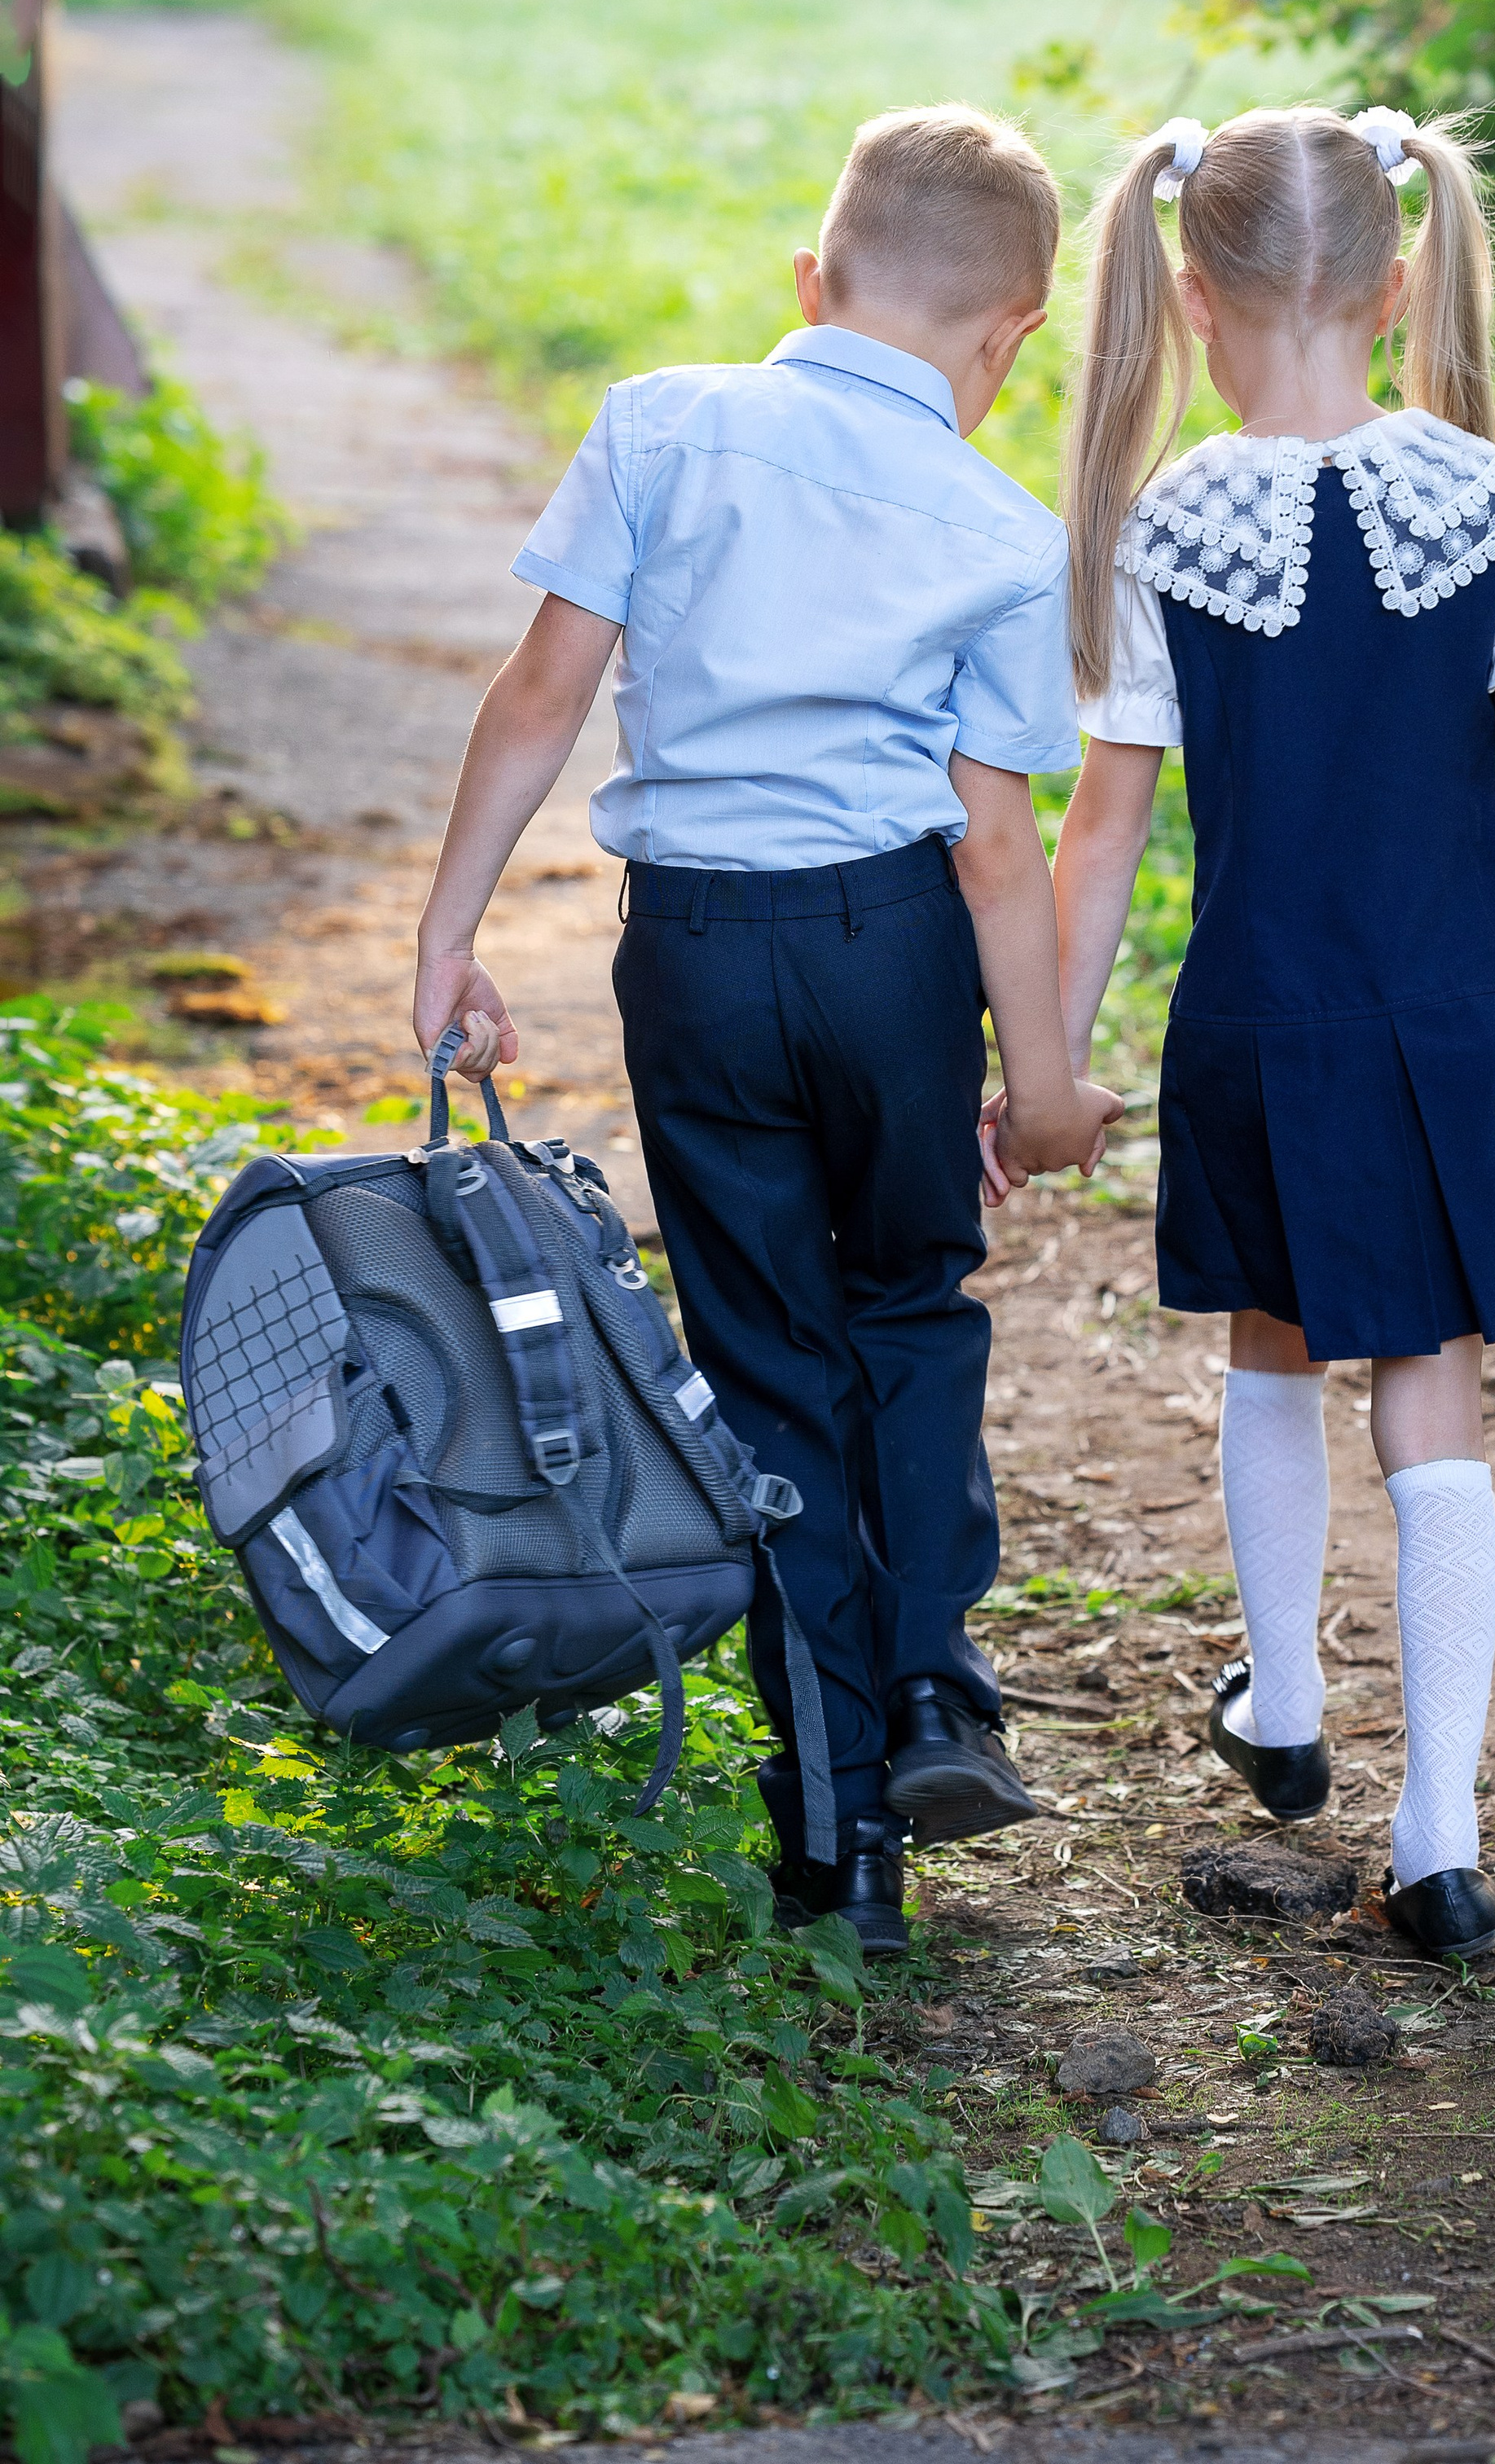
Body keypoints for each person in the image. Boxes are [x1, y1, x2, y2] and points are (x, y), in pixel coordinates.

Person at [412, 102, 1121, 1956]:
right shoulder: (997, 522)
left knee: (763, 1350)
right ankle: (929, 1689)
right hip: (891, 943)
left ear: (809, 279)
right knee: (909, 1303)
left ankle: (833, 1844)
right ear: (1012, 335)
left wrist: (451, 930)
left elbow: (540, 692)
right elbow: (991, 836)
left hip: (701, 955)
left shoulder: (662, 422)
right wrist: (1039, 1078)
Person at [1045, 102, 1495, 1965]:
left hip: (1259, 1012)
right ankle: (1441, 1830)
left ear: (1188, 291)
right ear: (1401, 275)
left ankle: (1290, 1709)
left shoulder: (1167, 522)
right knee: (1430, 1377)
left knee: (1274, 1334)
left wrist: (1043, 1065)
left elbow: (1102, 833)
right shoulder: (1486, 503)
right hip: (1454, 1006)